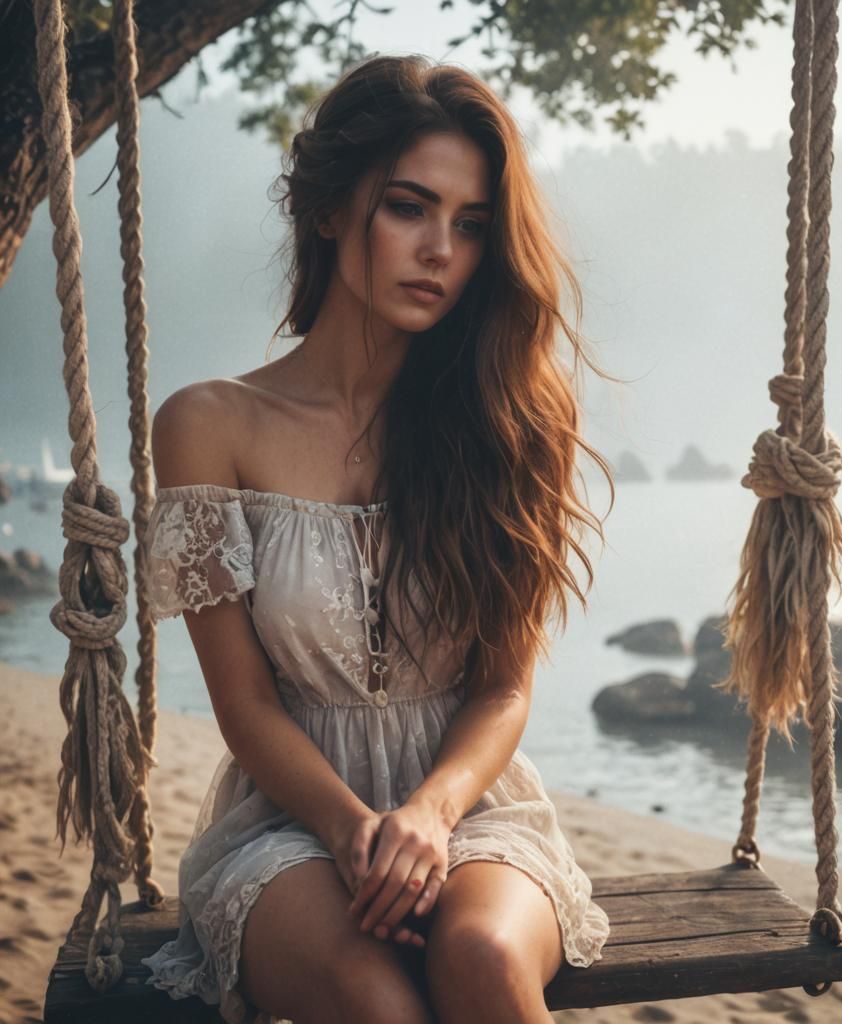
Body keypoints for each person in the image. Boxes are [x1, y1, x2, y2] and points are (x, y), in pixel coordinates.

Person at [140, 53, 616, 1024]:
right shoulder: (208, 425)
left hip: (472, 808)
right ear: (326, 211)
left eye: (471, 224)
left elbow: (503, 687)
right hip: (287, 819)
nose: (440, 247)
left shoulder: (513, 419)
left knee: (480, 956)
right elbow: (244, 703)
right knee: (374, 1003)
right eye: (409, 207)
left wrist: (430, 816)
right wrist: (358, 827)